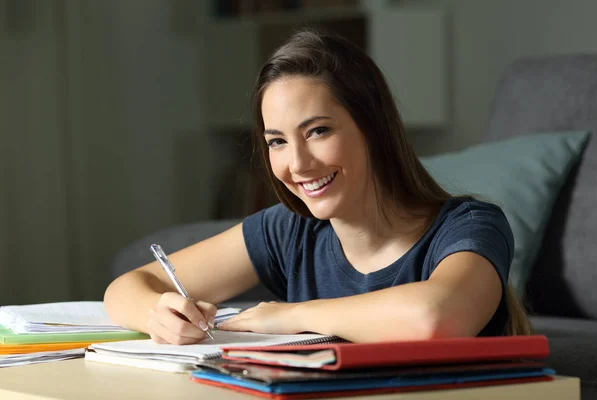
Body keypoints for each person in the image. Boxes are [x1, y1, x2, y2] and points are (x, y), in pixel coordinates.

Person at [104, 29, 531, 345]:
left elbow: (435, 319)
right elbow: (126, 287)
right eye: (277, 141)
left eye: (318, 131)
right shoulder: (291, 229)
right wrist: (157, 313)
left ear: (373, 129)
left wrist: (287, 317)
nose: (298, 165)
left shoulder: (469, 227)